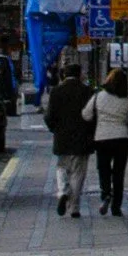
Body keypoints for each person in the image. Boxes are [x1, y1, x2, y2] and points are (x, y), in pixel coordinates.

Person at [44, 58, 95, 219]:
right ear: (80, 75)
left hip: (62, 137)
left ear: (64, 75)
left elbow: (49, 116)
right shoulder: (88, 91)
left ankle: (62, 191)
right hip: (82, 138)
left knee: (61, 167)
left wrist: (55, 129)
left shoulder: (56, 91)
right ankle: (74, 207)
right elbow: (93, 116)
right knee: (78, 173)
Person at [85, 65, 128, 214]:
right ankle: (116, 206)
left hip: (103, 138)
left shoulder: (99, 96)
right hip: (122, 138)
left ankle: (106, 193)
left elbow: (86, 115)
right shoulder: (126, 100)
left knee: (103, 168)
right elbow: (127, 118)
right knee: (119, 173)